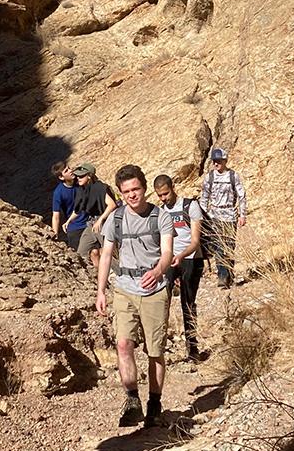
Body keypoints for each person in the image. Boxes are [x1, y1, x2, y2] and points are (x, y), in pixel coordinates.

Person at [95, 164, 175, 427]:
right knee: (123, 344)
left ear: (144, 187)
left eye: (136, 189)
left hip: (154, 290)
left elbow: (166, 253)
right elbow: (106, 254)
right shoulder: (115, 219)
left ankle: (154, 402)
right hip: (124, 288)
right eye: (126, 191)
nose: (132, 195)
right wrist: (101, 290)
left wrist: (158, 270)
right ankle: (132, 400)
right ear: (120, 192)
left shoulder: (160, 217)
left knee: (155, 350)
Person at [154, 174, 206, 361]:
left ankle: (193, 348)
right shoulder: (160, 212)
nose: (163, 198)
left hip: (190, 257)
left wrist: (181, 256)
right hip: (169, 259)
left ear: (173, 188)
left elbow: (195, 240)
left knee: (188, 302)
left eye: (166, 194)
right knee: (161, 300)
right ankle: (157, 347)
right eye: (160, 195)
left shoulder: (190, 206)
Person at [199, 148, 247, 289]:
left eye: (218, 161)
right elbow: (204, 197)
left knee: (230, 246)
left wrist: (242, 215)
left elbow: (241, 196)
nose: (216, 163)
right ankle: (222, 276)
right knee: (219, 246)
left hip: (230, 215)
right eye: (214, 161)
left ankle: (229, 275)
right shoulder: (210, 177)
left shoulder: (233, 176)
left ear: (225, 161)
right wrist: (202, 216)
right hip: (215, 215)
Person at [64, 163, 118, 269]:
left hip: (104, 223)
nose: (78, 178)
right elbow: (79, 209)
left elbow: (112, 205)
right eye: (77, 176)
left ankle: (122, 274)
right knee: (81, 253)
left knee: (110, 253)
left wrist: (100, 220)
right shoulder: (83, 190)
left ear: (89, 176)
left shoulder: (99, 187)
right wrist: (68, 221)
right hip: (91, 224)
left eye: (81, 176)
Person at [49, 161, 83, 250]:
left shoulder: (81, 180)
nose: (70, 171)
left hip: (89, 221)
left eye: (69, 168)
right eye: (66, 171)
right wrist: (55, 234)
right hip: (74, 227)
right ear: (61, 177)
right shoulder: (58, 193)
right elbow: (56, 215)